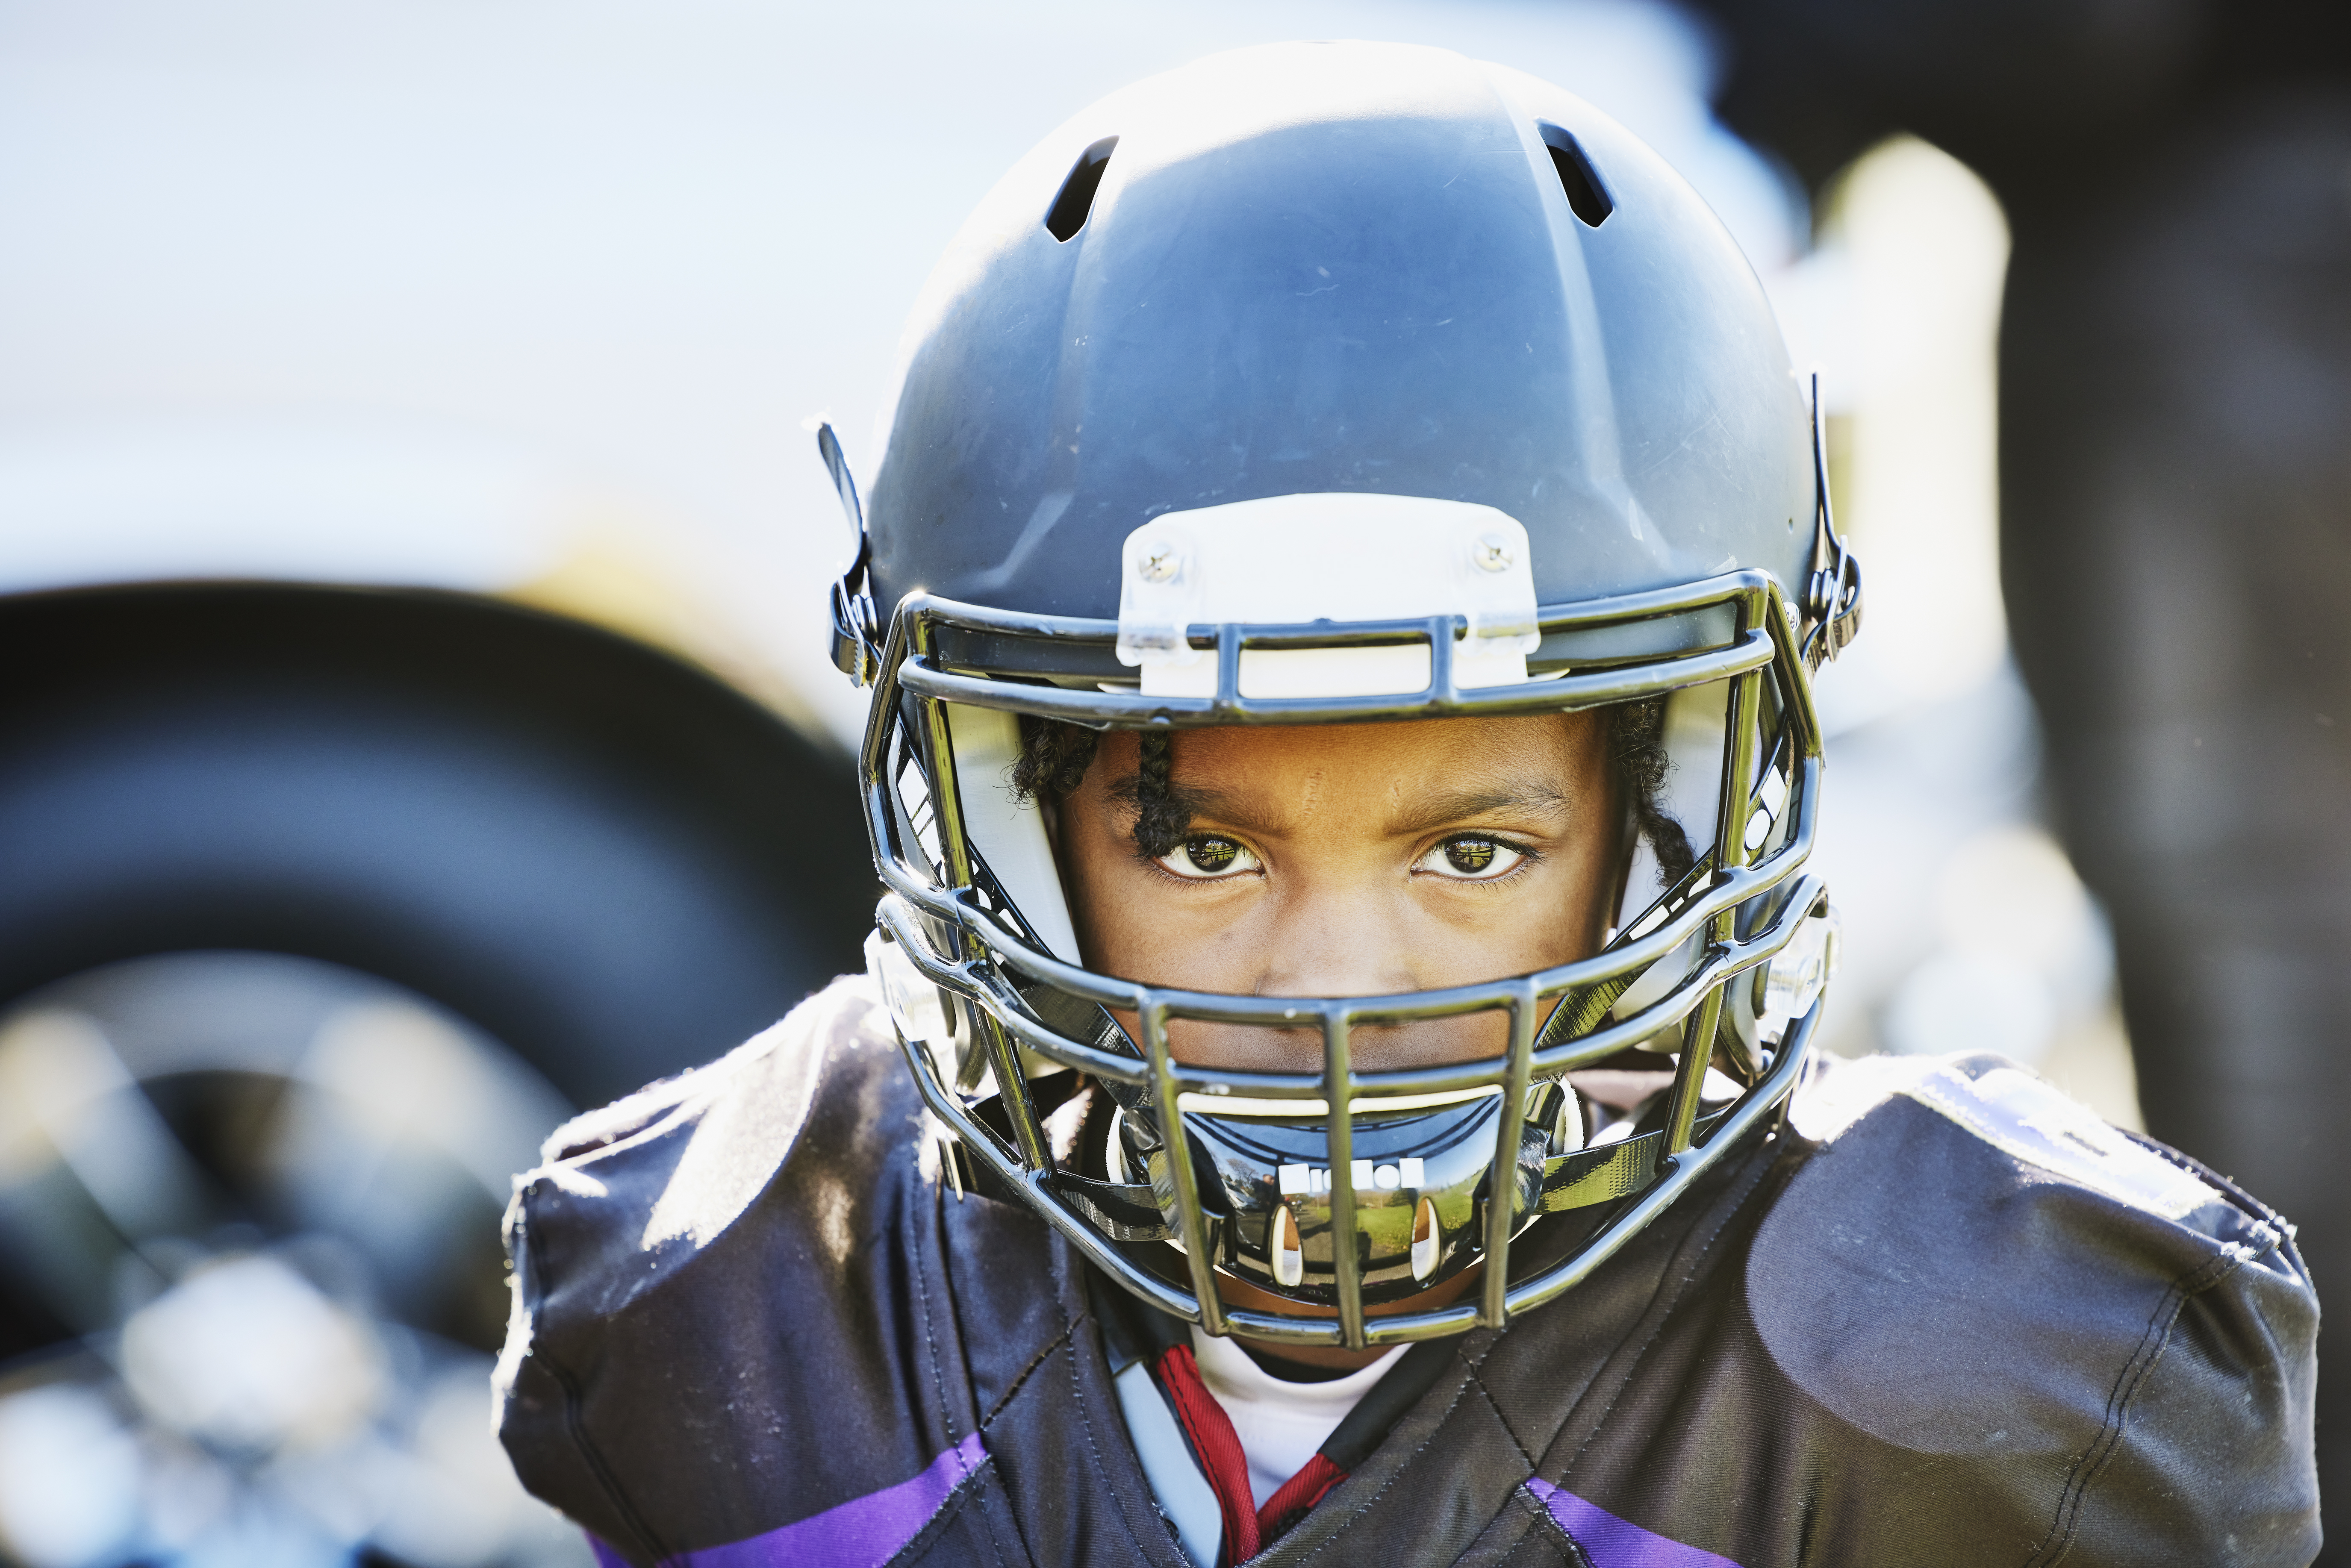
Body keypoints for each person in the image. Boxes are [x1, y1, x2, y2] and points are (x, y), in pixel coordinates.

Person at [495, 42, 2319, 1567]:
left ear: (1665, 824)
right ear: (1006, 824)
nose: (1336, 988)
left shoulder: (1960, 1382)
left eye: (1473, 849)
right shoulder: (745, 1297)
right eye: (1200, 846)